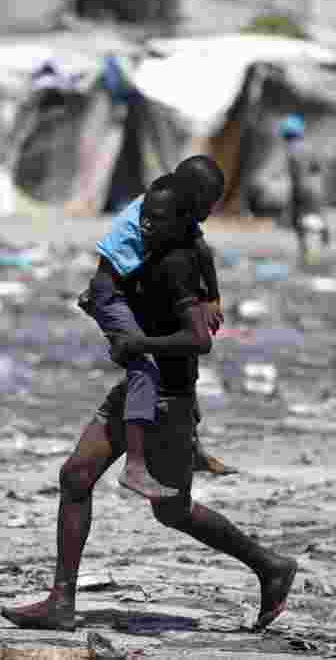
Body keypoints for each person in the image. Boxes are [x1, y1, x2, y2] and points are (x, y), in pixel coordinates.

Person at [1, 174, 298, 632]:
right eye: (144, 217)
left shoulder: (178, 263)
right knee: (76, 476)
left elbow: (199, 340)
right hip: (140, 389)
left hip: (166, 400)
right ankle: (61, 602)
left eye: (157, 220)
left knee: (173, 510)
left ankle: (270, 567)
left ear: (183, 220)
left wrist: (140, 343)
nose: (146, 227)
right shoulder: (156, 250)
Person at [79, 155, 229, 500]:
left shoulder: (180, 213)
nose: (208, 212)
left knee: (175, 364)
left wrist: (213, 297)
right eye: (206, 203)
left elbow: (202, 249)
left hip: (130, 289)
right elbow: (114, 272)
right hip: (111, 292)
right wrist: (136, 340)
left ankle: (191, 447)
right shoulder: (155, 209)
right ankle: (134, 465)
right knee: (143, 365)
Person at [280, 115, 330, 266]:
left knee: (304, 223)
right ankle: (314, 249)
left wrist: (294, 198)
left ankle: (309, 256)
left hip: (303, 190)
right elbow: (320, 167)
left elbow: (297, 176)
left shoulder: (291, 152)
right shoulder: (309, 147)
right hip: (317, 189)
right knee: (312, 221)